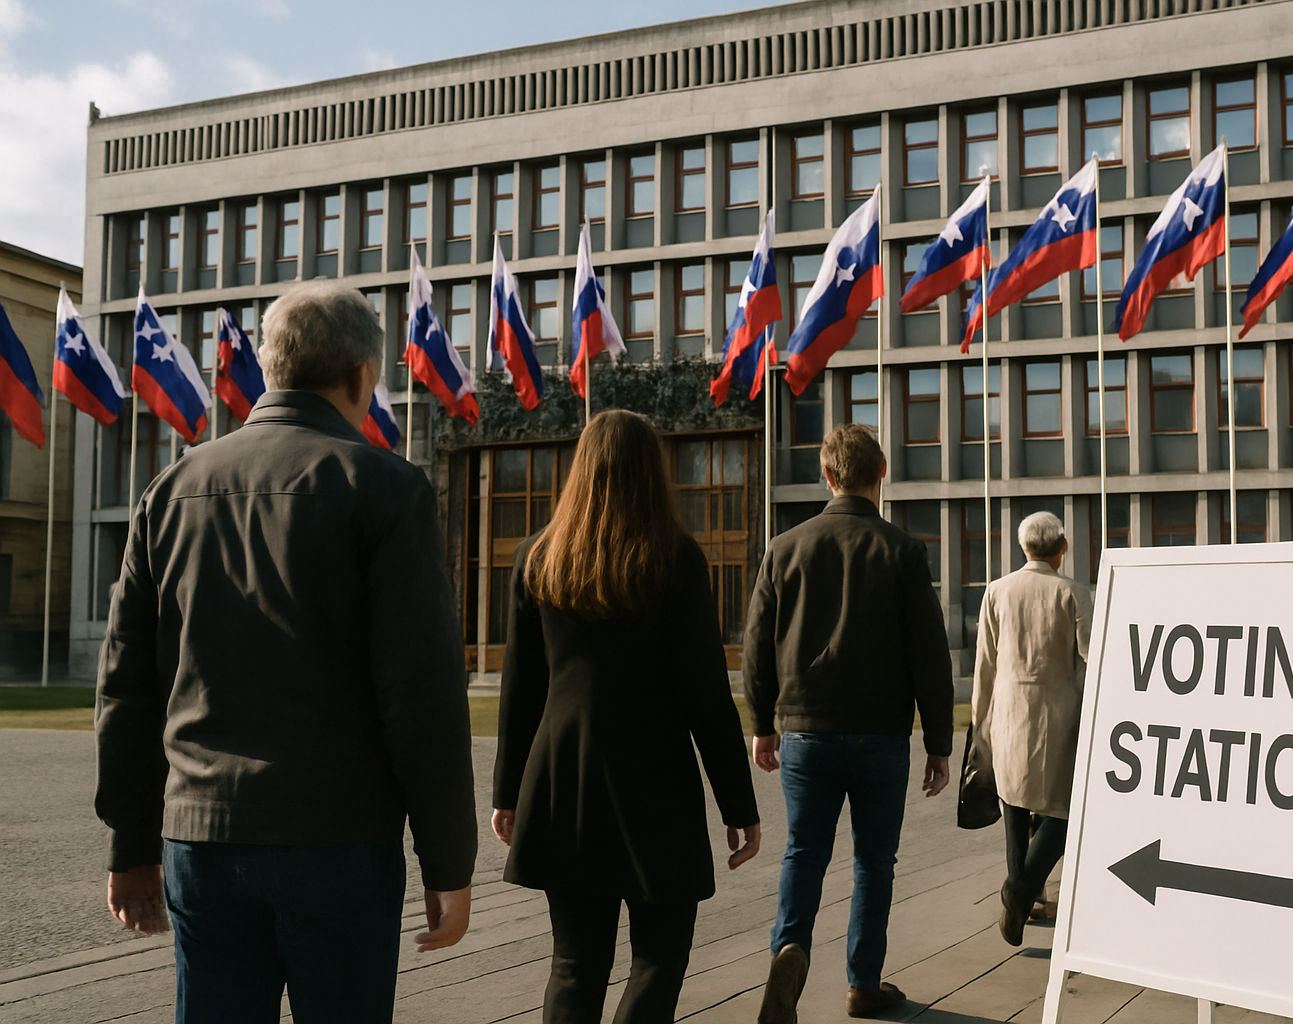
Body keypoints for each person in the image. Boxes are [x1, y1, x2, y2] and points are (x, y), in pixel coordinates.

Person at [94, 281, 478, 1023]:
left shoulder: (169, 491)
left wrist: (129, 842)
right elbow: (422, 696)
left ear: (269, 368)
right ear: (362, 376)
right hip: (338, 842)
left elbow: (126, 686)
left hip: (200, 838)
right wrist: (448, 862)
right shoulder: (386, 488)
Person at [491, 409, 761, 1024]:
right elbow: (705, 694)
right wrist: (738, 806)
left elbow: (520, 689)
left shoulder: (538, 557)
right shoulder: (676, 559)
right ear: (650, 471)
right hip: (655, 780)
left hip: (564, 777)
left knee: (574, 964)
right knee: (660, 959)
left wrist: (507, 793)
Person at [743, 422, 954, 1023]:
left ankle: (789, 948)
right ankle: (863, 983)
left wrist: (762, 723)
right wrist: (939, 742)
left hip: (805, 730)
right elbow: (929, 654)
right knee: (873, 863)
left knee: (803, 851)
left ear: (826, 475)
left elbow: (756, 645)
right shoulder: (903, 551)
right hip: (881, 735)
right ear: (881, 473)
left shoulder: (784, 548)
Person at [969, 510, 1093, 946]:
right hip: (1058, 715)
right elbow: (1092, 656)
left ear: (1023, 547)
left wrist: (979, 720)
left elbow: (984, 662)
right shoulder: (1074, 593)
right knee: (1061, 809)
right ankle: (1020, 893)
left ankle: (1019, 896)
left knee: (1014, 803)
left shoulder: (997, 591)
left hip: (1007, 711)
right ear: (1063, 548)